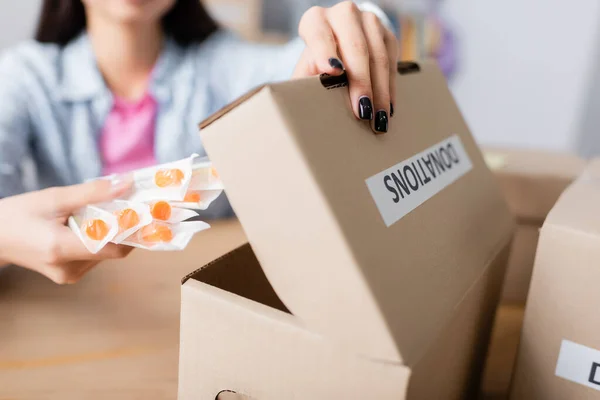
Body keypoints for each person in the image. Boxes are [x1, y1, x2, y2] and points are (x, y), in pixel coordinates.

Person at [0, 0, 398, 283]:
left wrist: (358, 23)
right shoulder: (24, 77)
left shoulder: (222, 65)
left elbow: (301, 63)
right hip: (71, 324)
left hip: (205, 308)